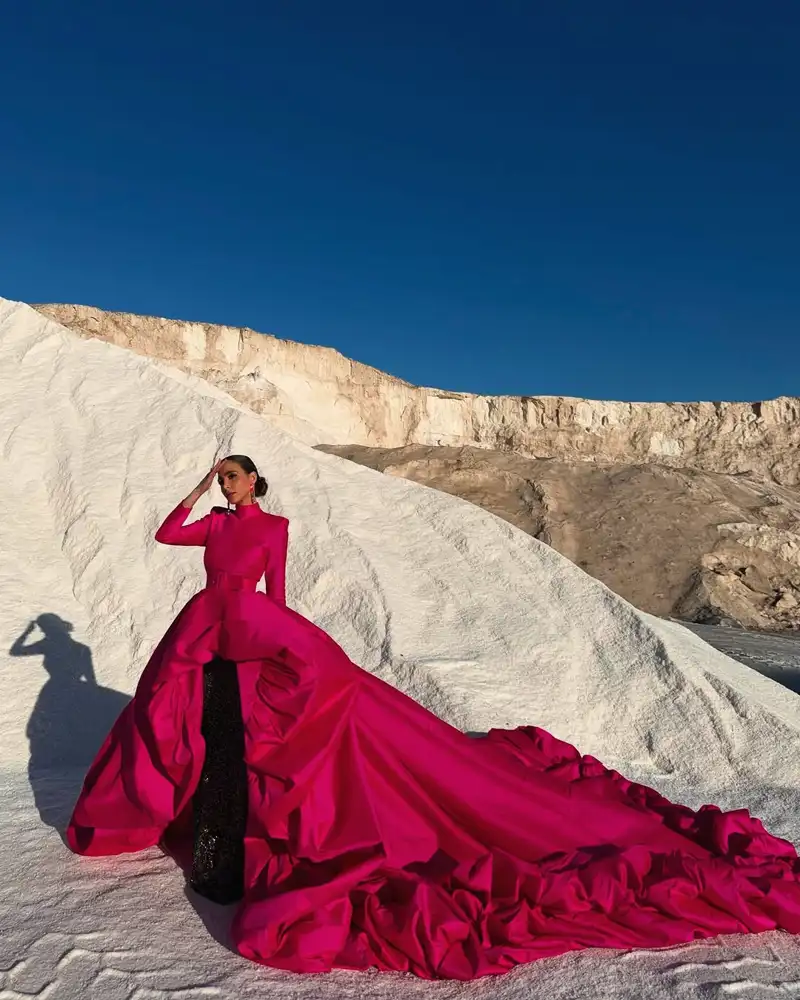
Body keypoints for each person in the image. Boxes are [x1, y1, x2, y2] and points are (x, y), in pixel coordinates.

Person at [67, 455, 800, 980]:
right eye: (221, 476)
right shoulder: (215, 525)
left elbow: (281, 593)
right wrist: (196, 493)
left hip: (257, 629)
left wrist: (286, 656)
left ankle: (244, 829)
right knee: (191, 726)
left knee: (261, 735)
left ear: (256, 481)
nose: (226, 484)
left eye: (232, 476)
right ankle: (212, 828)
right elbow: (167, 534)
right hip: (204, 627)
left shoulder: (275, 525)